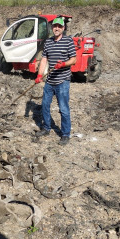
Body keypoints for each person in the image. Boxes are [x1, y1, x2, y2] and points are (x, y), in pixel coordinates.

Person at [34, 17, 77, 145]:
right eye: (54, 26)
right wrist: (39, 75)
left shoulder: (68, 41)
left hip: (62, 81)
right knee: (45, 106)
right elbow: (44, 60)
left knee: (63, 108)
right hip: (50, 81)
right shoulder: (48, 42)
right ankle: (46, 128)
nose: (56, 28)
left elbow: (73, 60)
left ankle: (65, 134)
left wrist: (63, 64)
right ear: (52, 28)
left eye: (59, 26)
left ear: (63, 28)